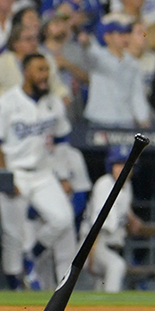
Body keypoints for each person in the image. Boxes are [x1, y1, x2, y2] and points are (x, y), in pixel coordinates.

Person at [0, 53, 77, 290]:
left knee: (63, 218)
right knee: (12, 235)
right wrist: (5, 179)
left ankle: (31, 254)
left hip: (43, 173)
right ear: (26, 72)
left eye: (46, 70)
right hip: (15, 172)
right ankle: (15, 288)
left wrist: (63, 176)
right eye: (39, 70)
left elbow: (62, 139)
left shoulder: (52, 102)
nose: (44, 75)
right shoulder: (7, 101)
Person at [81, 145, 142, 293]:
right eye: (119, 164)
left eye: (127, 165)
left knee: (100, 289)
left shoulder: (127, 186)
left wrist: (132, 218)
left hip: (111, 247)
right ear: (111, 166)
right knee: (117, 266)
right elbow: (98, 225)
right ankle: (112, 304)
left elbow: (123, 208)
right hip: (95, 244)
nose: (123, 169)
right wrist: (91, 255)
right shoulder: (104, 185)